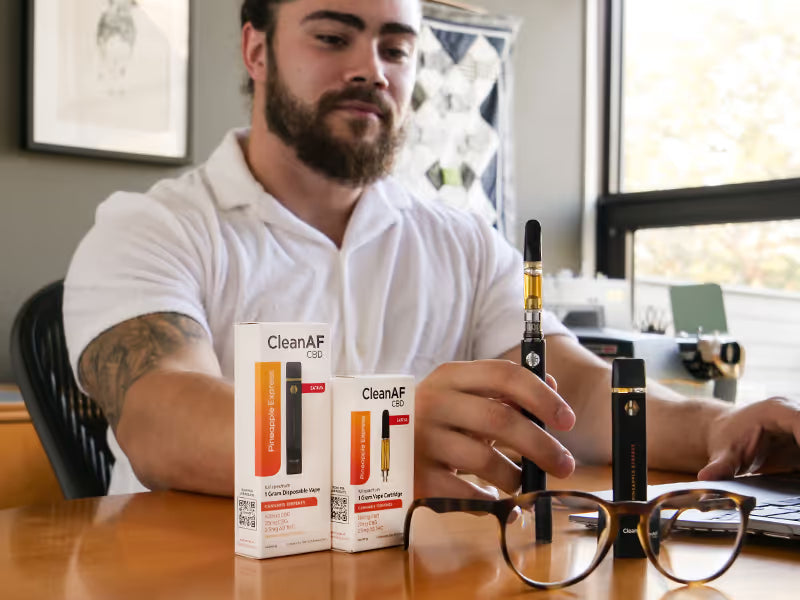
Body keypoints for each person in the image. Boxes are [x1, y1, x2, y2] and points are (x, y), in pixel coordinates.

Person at [64, 0, 800, 498]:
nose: (371, 69)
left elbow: (568, 391)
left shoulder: (462, 241)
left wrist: (719, 427)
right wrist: (375, 439)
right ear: (256, 50)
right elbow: (162, 419)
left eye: (396, 48)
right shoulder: (151, 229)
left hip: (421, 572)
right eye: (332, 37)